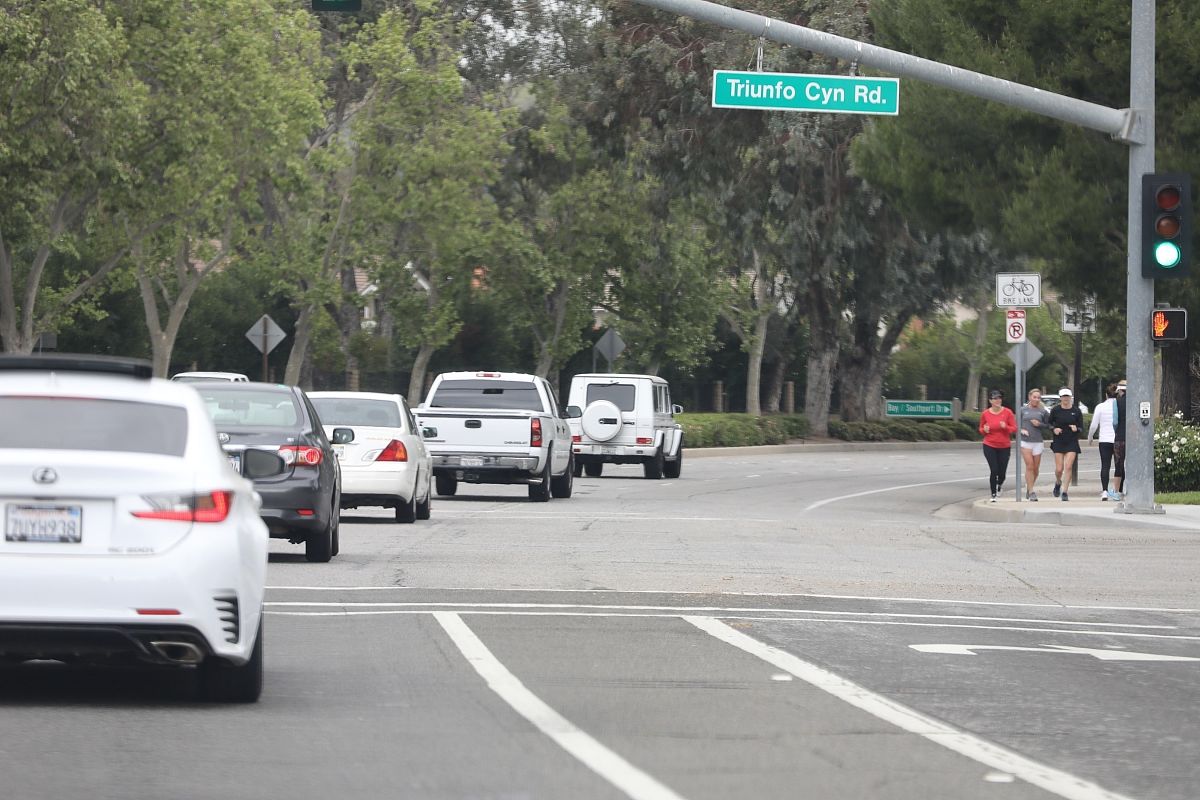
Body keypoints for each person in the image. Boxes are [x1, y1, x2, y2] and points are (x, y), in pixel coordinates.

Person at [978, 389, 1016, 502]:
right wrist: (984, 430)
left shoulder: (1007, 412)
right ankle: (993, 494)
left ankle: (999, 485)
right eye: (995, 398)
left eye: (999, 398)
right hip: (989, 444)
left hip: (1004, 445)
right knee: (994, 470)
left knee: (1002, 472)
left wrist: (1006, 427)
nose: (997, 400)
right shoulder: (985, 413)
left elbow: (1014, 428)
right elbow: (981, 428)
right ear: (990, 400)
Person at [1048, 387, 1084, 501]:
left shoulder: (1076, 411)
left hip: (1071, 441)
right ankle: (1058, 482)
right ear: (1060, 398)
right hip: (1059, 440)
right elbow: (1049, 424)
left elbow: (1081, 428)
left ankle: (1065, 491)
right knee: (1059, 469)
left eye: (1067, 397)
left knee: (1068, 467)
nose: (1066, 399)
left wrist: (1076, 428)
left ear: (1070, 398)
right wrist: (1054, 429)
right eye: (1063, 397)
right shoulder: (1055, 410)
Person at [1088, 383, 1119, 500]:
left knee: (1105, 465)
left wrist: (1090, 437)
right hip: (1118, 439)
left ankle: (1105, 491)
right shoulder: (1120, 406)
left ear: (1106, 395)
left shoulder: (1100, 407)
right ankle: (1118, 490)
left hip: (1104, 439)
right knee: (1119, 466)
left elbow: (1094, 425)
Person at [1018, 388, 1051, 501]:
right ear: (1029, 397)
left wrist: (1039, 424)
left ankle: (1029, 487)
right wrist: (1021, 430)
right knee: (1030, 466)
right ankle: (1032, 492)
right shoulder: (1023, 410)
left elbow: (1049, 425)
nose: (1036, 399)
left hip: (1038, 441)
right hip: (1025, 441)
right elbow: (1015, 424)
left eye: (1038, 397)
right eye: (1034, 397)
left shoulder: (1042, 411)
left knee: (1036, 469)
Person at [1112, 379, 1127, 499]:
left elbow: (1115, 421)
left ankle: (1116, 491)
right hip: (1134, 438)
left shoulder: (1116, 402)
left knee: (1119, 464)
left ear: (1120, 391)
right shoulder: (1135, 402)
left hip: (1120, 437)